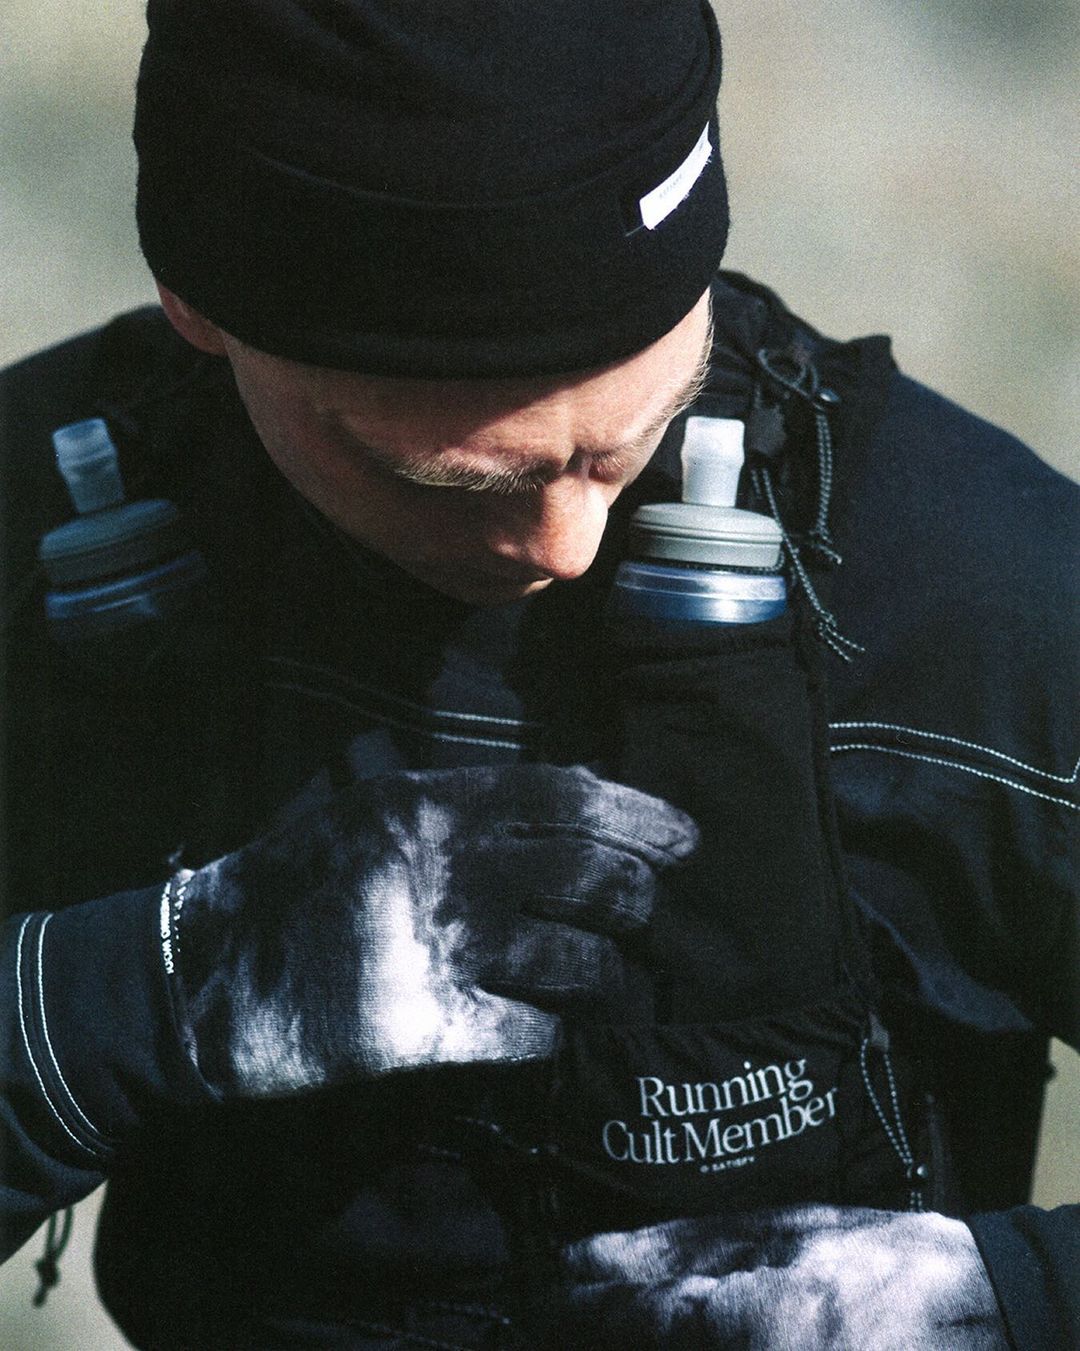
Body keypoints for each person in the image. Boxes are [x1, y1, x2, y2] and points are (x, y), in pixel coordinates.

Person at [1, 2, 1076, 1347]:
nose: (566, 547)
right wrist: (150, 994)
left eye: (627, 445)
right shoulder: (38, 518)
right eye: (448, 483)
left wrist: (1008, 1301)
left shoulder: (975, 606)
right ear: (200, 311)